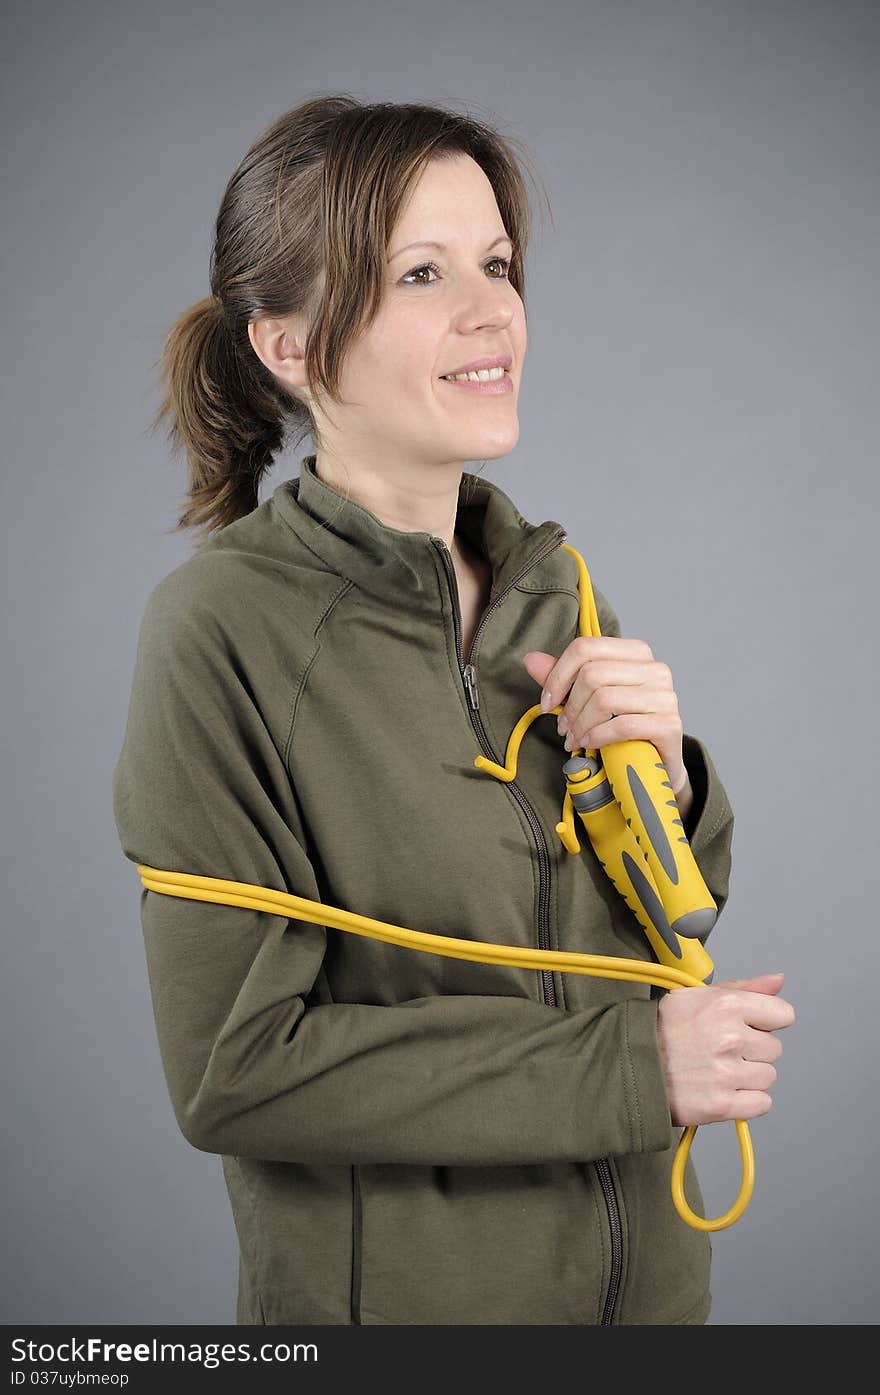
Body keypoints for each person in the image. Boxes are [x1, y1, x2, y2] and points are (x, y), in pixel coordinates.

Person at [112, 93, 795, 1326]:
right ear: (287, 344)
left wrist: (669, 784)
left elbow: (647, 932)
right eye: (420, 274)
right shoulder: (222, 631)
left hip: (650, 1303)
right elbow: (235, 1071)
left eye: (496, 263)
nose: (491, 313)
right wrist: (631, 1072)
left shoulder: (557, 585)